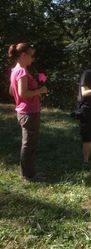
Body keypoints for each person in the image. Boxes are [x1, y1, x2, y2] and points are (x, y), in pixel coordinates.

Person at [8, 43, 48, 180]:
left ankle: (28, 173)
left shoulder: (14, 71)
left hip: (24, 111)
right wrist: (40, 90)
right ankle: (28, 175)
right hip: (29, 112)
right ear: (23, 55)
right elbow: (23, 93)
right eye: (31, 56)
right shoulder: (22, 72)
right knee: (29, 145)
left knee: (28, 143)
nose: (32, 59)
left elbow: (11, 91)